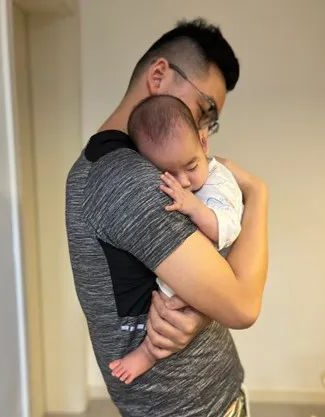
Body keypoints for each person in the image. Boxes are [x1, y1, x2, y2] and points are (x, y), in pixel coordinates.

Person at [66, 18, 268, 417]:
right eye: (204, 109)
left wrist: (201, 309)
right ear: (159, 75)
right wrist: (259, 194)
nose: (203, 131)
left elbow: (200, 273)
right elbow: (243, 304)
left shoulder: (95, 166)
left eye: (210, 122)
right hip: (197, 406)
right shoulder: (130, 180)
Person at [109, 94, 244, 385]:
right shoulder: (189, 176)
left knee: (168, 310)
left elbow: (227, 229)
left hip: (212, 269)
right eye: (168, 173)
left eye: (191, 167)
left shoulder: (219, 184)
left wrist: (193, 207)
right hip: (199, 270)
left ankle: (148, 353)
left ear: (204, 143)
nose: (183, 181)